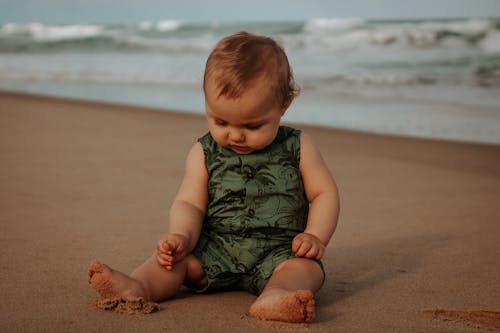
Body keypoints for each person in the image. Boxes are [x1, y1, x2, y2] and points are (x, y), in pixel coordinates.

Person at [88, 31, 340, 323]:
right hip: (214, 250)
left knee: (306, 270)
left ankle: (274, 296)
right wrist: (182, 235)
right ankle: (137, 286)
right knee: (174, 262)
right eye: (220, 121)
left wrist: (315, 236)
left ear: (283, 106)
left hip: (280, 252)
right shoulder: (203, 151)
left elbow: (324, 193)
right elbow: (190, 203)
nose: (234, 134)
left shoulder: (299, 146)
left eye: (253, 125)